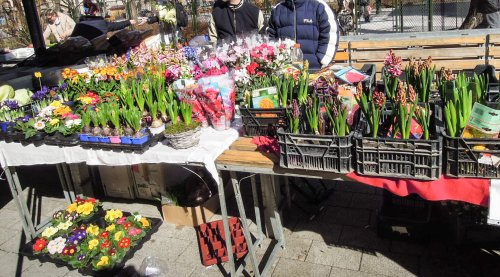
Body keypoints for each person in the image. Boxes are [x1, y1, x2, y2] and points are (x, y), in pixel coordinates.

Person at [267, 0, 339, 70]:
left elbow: (330, 33)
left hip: (313, 69)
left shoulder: (319, 6)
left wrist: (322, 60)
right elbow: (270, 37)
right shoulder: (277, 9)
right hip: (284, 70)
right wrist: (276, 61)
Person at [70, 15, 138, 41]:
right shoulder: (101, 23)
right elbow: (115, 25)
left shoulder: (79, 25)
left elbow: (73, 39)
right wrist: (128, 22)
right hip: (100, 48)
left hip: (83, 52)